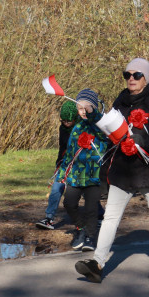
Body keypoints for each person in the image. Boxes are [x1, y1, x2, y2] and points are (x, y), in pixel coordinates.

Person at [75, 58, 149, 283]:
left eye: (136, 75)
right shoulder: (120, 100)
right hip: (122, 169)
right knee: (110, 217)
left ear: (145, 78)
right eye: (127, 75)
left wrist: (143, 141)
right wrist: (95, 118)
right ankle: (97, 264)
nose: (131, 78)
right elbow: (111, 131)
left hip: (148, 168)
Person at [57, 89, 109, 252]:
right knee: (69, 203)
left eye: (87, 108)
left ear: (94, 107)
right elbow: (69, 152)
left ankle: (90, 237)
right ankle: (81, 228)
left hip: (94, 176)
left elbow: (100, 125)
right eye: (80, 108)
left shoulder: (100, 125)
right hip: (76, 175)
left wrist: (92, 113)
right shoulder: (77, 127)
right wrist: (62, 173)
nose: (83, 111)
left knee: (91, 208)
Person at [36, 101, 78, 229]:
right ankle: (49, 218)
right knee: (56, 189)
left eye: (68, 121)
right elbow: (62, 147)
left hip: (80, 164)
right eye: (63, 120)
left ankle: (99, 215)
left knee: (85, 191)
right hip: (65, 163)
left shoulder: (83, 127)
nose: (65, 123)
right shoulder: (62, 128)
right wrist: (59, 162)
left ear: (75, 118)